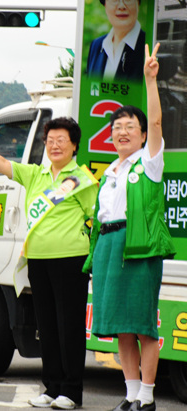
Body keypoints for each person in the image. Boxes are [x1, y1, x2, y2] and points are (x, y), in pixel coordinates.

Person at [0, 117, 98, 410]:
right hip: (38, 260)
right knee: (46, 325)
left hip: (71, 261)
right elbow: (0, 163)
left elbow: (95, 219)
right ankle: (52, 387)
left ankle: (71, 391)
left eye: (62, 140)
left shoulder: (82, 181)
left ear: (74, 146)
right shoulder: (35, 175)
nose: (55, 145)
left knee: (68, 326)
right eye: (51, 140)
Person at [83, 43, 175, 411]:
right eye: (116, 127)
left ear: (140, 135)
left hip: (138, 247)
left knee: (142, 325)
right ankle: (131, 393)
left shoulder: (149, 163)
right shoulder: (110, 171)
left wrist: (151, 80)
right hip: (107, 246)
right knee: (121, 325)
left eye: (129, 127)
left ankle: (148, 397)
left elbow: (156, 121)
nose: (122, 132)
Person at [86, 0, 145, 82]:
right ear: (105, 4)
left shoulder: (148, 45)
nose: (121, 6)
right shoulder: (96, 46)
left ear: (138, 3)